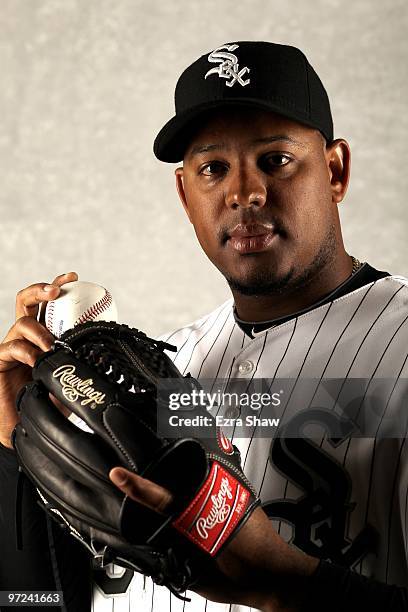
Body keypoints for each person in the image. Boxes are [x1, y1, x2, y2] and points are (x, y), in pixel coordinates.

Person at [0, 41, 407, 612]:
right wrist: (17, 457)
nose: (244, 192)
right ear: (185, 194)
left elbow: (337, 405)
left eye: (276, 159)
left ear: (335, 169)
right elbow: (33, 601)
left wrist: (280, 580)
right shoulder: (169, 374)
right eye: (213, 168)